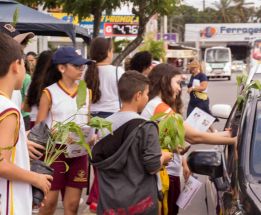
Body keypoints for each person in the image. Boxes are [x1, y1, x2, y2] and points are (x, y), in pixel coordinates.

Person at [141, 63, 236, 215]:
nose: (180, 89)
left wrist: (227, 135)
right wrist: (233, 140)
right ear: (165, 80)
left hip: (166, 172)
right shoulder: (160, 107)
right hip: (162, 174)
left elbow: (189, 136)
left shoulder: (157, 105)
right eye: (178, 83)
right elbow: (194, 136)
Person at [90, 71, 172, 214]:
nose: (148, 98)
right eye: (147, 94)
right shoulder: (146, 127)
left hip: (110, 204)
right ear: (138, 95)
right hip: (140, 204)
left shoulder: (103, 125)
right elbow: (152, 166)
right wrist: (164, 157)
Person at [35, 47, 92, 215]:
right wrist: (56, 133)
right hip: (55, 153)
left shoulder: (86, 91)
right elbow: (39, 127)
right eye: (76, 65)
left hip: (78, 153)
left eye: (83, 66)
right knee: (49, 203)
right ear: (61, 68)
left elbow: (87, 122)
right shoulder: (49, 92)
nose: (81, 69)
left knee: (73, 205)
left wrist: (90, 136)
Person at [0, 33, 52, 215]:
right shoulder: (8, 109)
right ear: (16, 65)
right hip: (7, 202)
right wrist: (35, 178)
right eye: (24, 63)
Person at [84, 37, 125, 210]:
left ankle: (97, 200)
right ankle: (107, 202)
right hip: (113, 122)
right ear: (108, 52)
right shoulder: (118, 71)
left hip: (92, 121)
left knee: (97, 165)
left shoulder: (86, 71)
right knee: (114, 166)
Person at [25, 50, 53, 132]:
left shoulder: (33, 82)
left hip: (34, 122)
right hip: (52, 124)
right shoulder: (56, 83)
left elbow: (26, 108)